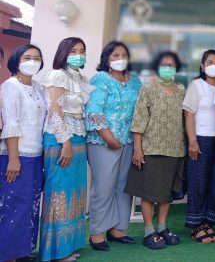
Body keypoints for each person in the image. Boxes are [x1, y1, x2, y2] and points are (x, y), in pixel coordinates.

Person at [125, 51, 186, 250]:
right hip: (151, 148)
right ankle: (149, 231)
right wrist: (138, 149)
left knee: (166, 193)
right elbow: (139, 120)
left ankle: (162, 227)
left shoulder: (181, 90)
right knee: (149, 193)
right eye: (164, 64)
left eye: (171, 65)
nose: (168, 68)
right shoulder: (148, 89)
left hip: (175, 149)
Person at [85, 41, 142, 251]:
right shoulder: (100, 79)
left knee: (124, 186)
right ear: (106, 59)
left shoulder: (134, 81)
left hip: (128, 141)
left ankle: (118, 229)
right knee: (104, 187)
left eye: (123, 55)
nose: (120, 59)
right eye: (115, 55)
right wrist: (109, 138)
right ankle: (97, 233)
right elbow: (94, 111)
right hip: (103, 141)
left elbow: (141, 110)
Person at [40, 37, 90, 262]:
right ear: (63, 53)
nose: (78, 55)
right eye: (73, 51)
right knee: (59, 191)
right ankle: (55, 252)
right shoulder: (57, 75)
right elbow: (54, 110)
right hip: (61, 139)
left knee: (74, 190)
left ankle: (70, 246)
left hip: (79, 137)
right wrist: (65, 143)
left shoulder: (81, 78)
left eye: (82, 51)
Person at [0, 44, 46, 261]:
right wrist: (13, 159)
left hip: (36, 156)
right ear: (16, 61)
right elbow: (11, 123)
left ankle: (22, 251)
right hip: (16, 156)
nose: (32, 62)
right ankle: (7, 254)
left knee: (30, 205)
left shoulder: (38, 87)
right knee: (13, 206)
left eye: (37, 58)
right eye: (27, 57)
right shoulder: (10, 86)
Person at [183, 49, 215, 243]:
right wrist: (192, 141)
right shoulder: (196, 85)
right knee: (198, 183)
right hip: (200, 139)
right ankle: (196, 225)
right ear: (202, 65)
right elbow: (188, 114)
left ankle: (208, 222)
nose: (214, 66)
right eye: (210, 62)